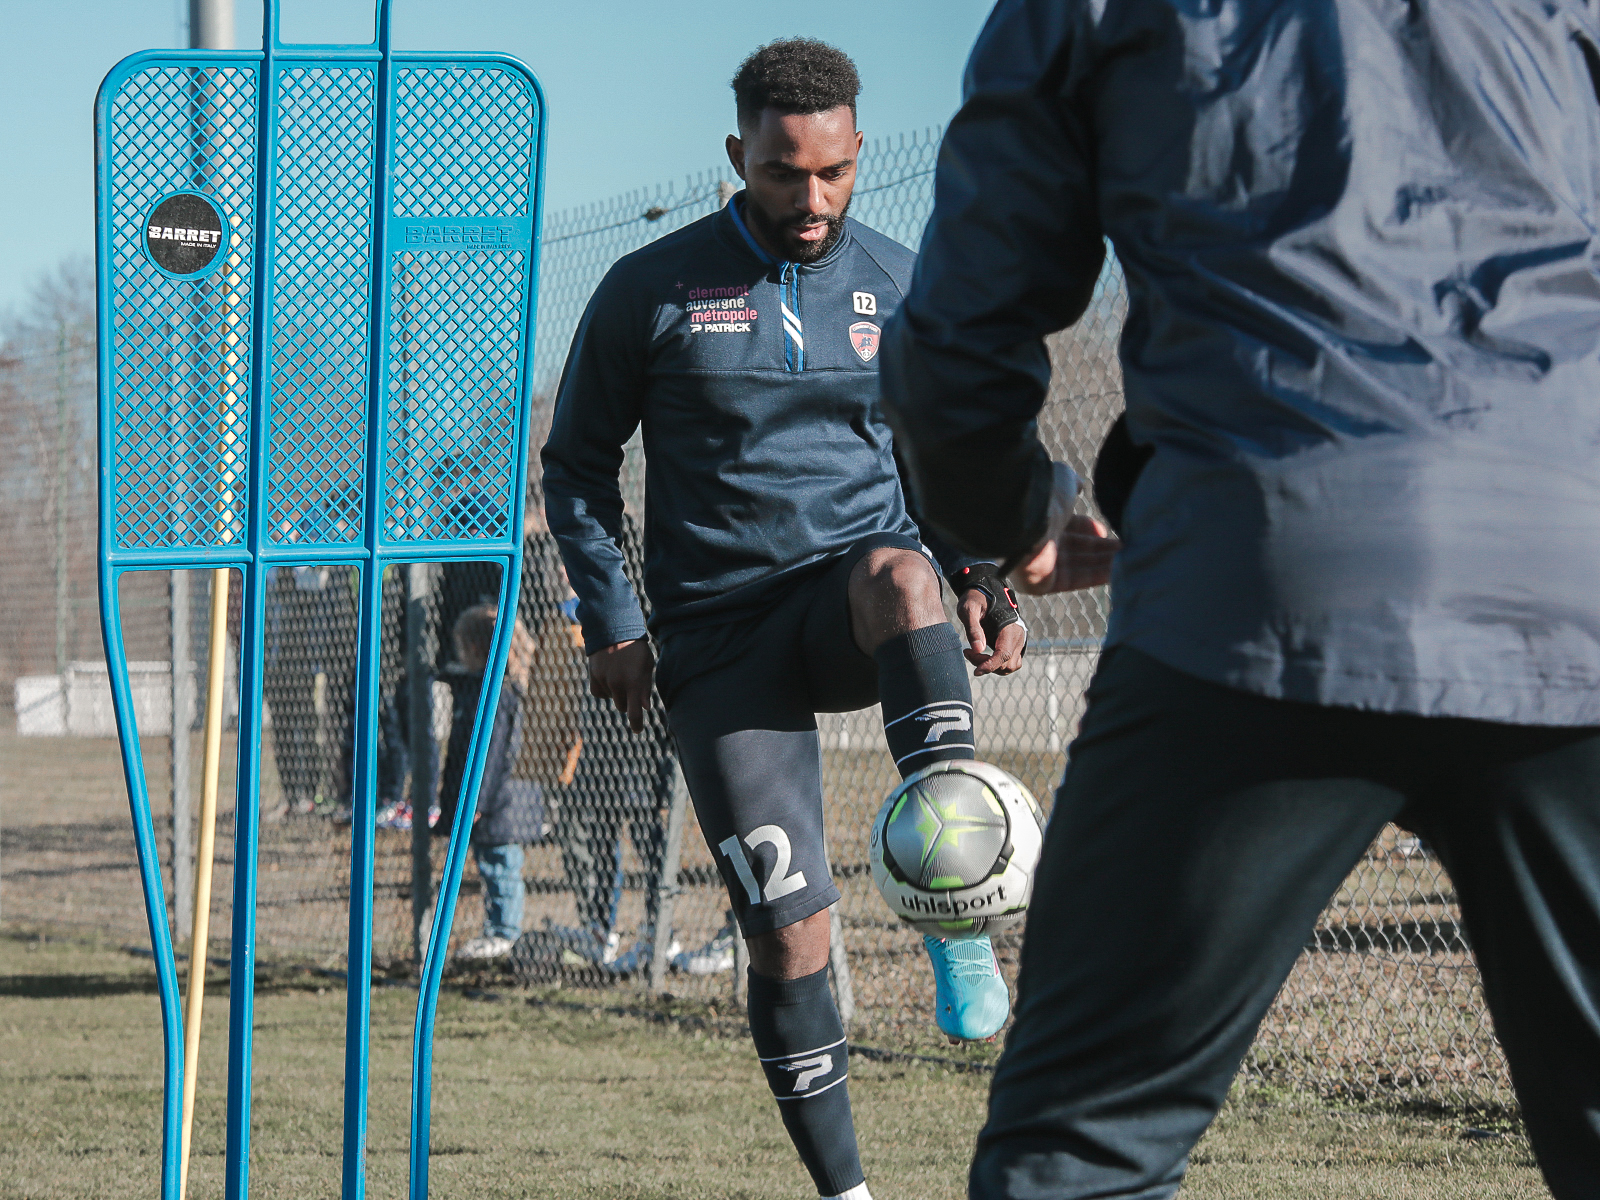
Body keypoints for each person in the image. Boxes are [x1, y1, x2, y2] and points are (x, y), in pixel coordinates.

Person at [879, 2, 1600, 1198]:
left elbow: (956, 337)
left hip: (1256, 581)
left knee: (1083, 1151)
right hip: (1570, 573)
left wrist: (1011, 517)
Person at [543, 38, 1030, 1200]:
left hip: (846, 599)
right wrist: (614, 623)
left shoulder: (901, 283)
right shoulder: (651, 288)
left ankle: (952, 908)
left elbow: (944, 452)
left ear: (857, 152)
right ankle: (846, 1193)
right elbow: (576, 465)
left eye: (831, 174)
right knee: (785, 929)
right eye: (781, 174)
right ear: (737, 156)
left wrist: (982, 575)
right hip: (717, 640)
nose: (810, 201)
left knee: (903, 579)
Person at [435, 602, 541, 960]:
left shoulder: (496, 695)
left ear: (477, 649)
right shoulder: (505, 688)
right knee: (495, 864)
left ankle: (505, 932)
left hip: (498, 803)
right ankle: (498, 927)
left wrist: (476, 803)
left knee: (501, 866)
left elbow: (493, 754)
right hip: (505, 799)